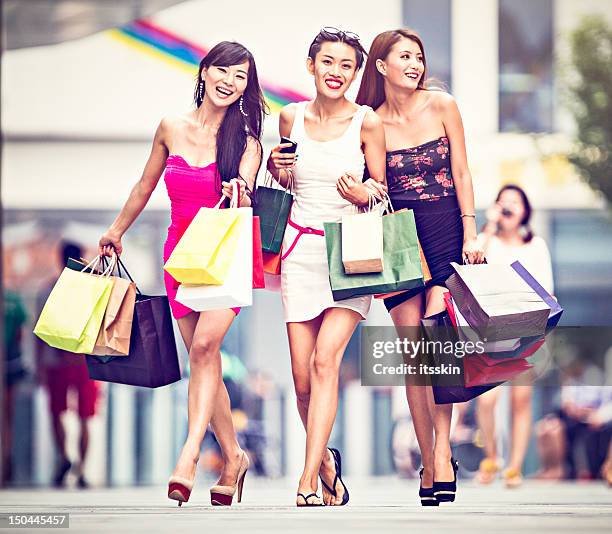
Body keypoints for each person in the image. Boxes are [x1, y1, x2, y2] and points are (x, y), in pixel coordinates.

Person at [98, 41, 268, 506]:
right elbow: (144, 185)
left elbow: (250, 192)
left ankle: (190, 454)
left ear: (246, 87)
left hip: (227, 256)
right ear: (205, 70)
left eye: (241, 76)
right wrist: (116, 230)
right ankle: (234, 456)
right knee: (202, 359)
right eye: (223, 70)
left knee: (205, 347)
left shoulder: (246, 142)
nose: (229, 81)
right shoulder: (171, 126)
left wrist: (241, 191)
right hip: (181, 258)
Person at [356, 29, 484, 505]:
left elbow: (463, 171)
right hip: (398, 237)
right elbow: (375, 186)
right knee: (414, 354)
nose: (414, 63)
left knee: (439, 344)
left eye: (419, 56)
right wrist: (360, 192)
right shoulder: (370, 122)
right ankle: (429, 458)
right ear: (381, 65)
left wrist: (471, 232)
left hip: (446, 228)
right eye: (404, 56)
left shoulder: (442, 105)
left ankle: (443, 450)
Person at [267, 27, 386, 506]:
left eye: (346, 66)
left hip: (352, 255)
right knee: (301, 380)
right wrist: (277, 169)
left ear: (356, 74)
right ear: (311, 65)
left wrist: (364, 192)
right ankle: (328, 465)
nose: (336, 73)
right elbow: (284, 178)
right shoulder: (289, 117)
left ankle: (306, 479)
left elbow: (383, 189)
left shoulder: (367, 122)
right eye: (328, 62)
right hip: (300, 254)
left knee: (324, 362)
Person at [474, 184, 554, 487]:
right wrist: (491, 227)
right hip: (490, 330)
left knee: (521, 400)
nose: (508, 206)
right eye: (502, 202)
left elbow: (546, 290)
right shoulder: (486, 240)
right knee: (486, 400)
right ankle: (491, 457)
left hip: (525, 328)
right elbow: (473, 268)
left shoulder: (536, 246)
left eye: (515, 202)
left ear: (525, 210)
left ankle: (514, 467)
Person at [35, 241, 99, 488]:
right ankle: (80, 468)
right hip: (85, 361)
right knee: (85, 415)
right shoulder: (92, 289)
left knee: (58, 413)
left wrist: (41, 363)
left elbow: (39, 331)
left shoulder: (47, 289)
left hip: (57, 361)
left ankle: (65, 458)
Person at [2, 288, 28, 486]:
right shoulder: (14, 298)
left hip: (9, 361)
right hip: (11, 360)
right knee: (7, 415)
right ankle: (7, 456)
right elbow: (21, 334)